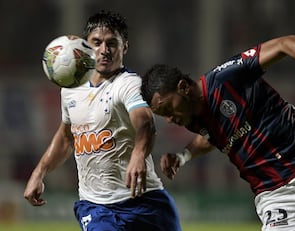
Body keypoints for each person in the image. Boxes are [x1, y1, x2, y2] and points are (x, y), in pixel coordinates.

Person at [140, 35, 295, 230]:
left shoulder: (226, 77)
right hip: (274, 196)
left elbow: (286, 43)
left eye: (168, 108)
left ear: (183, 87)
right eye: (163, 115)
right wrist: (183, 156)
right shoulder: (191, 118)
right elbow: (212, 138)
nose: (170, 119)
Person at [24, 11, 181, 231]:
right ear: (86, 47)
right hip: (97, 207)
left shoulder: (129, 84)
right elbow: (67, 137)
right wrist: (38, 173)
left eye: (112, 43)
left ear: (124, 47)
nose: (104, 50)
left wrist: (138, 155)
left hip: (147, 202)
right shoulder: (70, 90)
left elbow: (145, 123)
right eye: (96, 43)